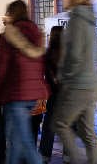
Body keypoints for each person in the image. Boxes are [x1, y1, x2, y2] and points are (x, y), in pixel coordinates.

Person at [0, 0, 49, 164]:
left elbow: (1, 69)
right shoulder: (37, 34)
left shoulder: (8, 35)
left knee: (25, 143)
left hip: (16, 94)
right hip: (34, 94)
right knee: (15, 142)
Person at [51, 0, 97, 164]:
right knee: (88, 133)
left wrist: (64, 75)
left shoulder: (76, 20)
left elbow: (73, 55)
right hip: (91, 84)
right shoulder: (90, 20)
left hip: (77, 84)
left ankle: (75, 160)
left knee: (60, 123)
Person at [39, 25, 64, 163]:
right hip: (66, 94)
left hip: (53, 94)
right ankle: (67, 155)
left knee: (48, 126)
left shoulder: (47, 54)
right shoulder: (68, 52)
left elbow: (45, 74)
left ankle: (44, 154)